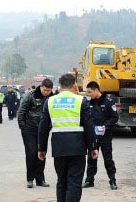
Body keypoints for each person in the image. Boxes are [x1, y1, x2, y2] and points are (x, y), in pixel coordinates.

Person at [38, 74, 98, 202]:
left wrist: (41, 149)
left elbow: (43, 127)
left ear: (59, 86)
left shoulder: (50, 101)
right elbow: (89, 126)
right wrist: (93, 147)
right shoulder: (81, 101)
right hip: (78, 148)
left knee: (61, 181)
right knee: (74, 183)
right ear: (74, 85)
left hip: (59, 148)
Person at [17, 78, 54, 188]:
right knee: (32, 153)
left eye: (49, 90)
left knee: (41, 153)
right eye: (45, 90)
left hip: (43, 130)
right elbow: (21, 112)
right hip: (30, 129)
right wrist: (23, 128)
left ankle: (40, 179)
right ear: (41, 87)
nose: (46, 92)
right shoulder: (30, 95)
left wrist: (49, 126)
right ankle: (30, 179)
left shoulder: (52, 97)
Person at [83, 81, 119, 190]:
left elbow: (114, 117)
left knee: (108, 159)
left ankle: (112, 181)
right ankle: (89, 180)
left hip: (105, 135)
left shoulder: (108, 101)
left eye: (90, 92)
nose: (88, 94)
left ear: (96, 90)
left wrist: (105, 126)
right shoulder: (88, 103)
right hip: (92, 136)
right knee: (91, 158)